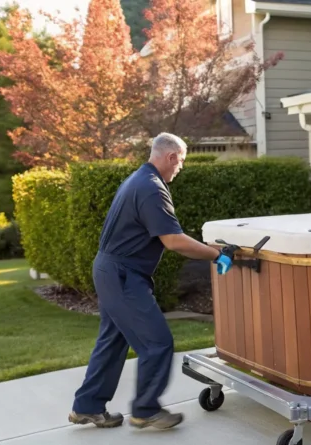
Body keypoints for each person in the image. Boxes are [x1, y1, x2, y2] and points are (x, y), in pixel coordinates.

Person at [68, 133, 232, 429]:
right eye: (180, 162)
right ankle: (145, 409)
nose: (179, 168)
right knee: (158, 342)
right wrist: (215, 254)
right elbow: (173, 240)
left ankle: (87, 406)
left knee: (113, 340)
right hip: (122, 275)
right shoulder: (151, 188)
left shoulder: (138, 179)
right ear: (170, 157)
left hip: (108, 270)